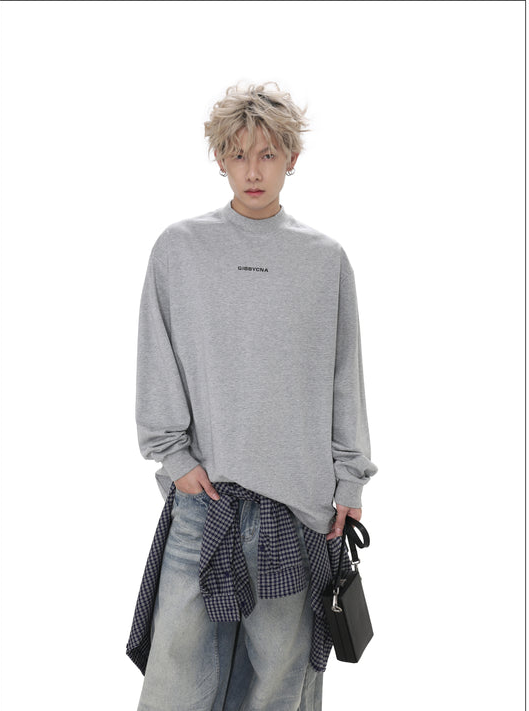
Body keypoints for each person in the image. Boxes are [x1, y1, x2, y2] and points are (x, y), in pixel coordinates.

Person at [131, 81, 378, 711]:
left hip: (297, 511)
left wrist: (350, 481)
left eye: (268, 154)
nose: (253, 171)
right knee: (176, 687)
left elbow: (343, 377)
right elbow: (158, 358)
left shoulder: (324, 260)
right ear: (219, 158)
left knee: (277, 690)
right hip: (203, 504)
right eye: (238, 154)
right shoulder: (180, 249)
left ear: (292, 157)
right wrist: (174, 458)